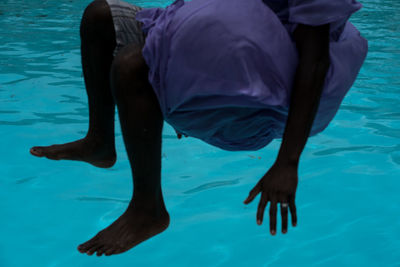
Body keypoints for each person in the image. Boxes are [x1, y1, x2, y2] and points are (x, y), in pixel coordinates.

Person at [30, 0, 367, 257]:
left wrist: (287, 162)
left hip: (260, 95)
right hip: (222, 50)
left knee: (131, 66)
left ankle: (148, 209)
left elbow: (315, 60)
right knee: (99, 17)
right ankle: (99, 143)